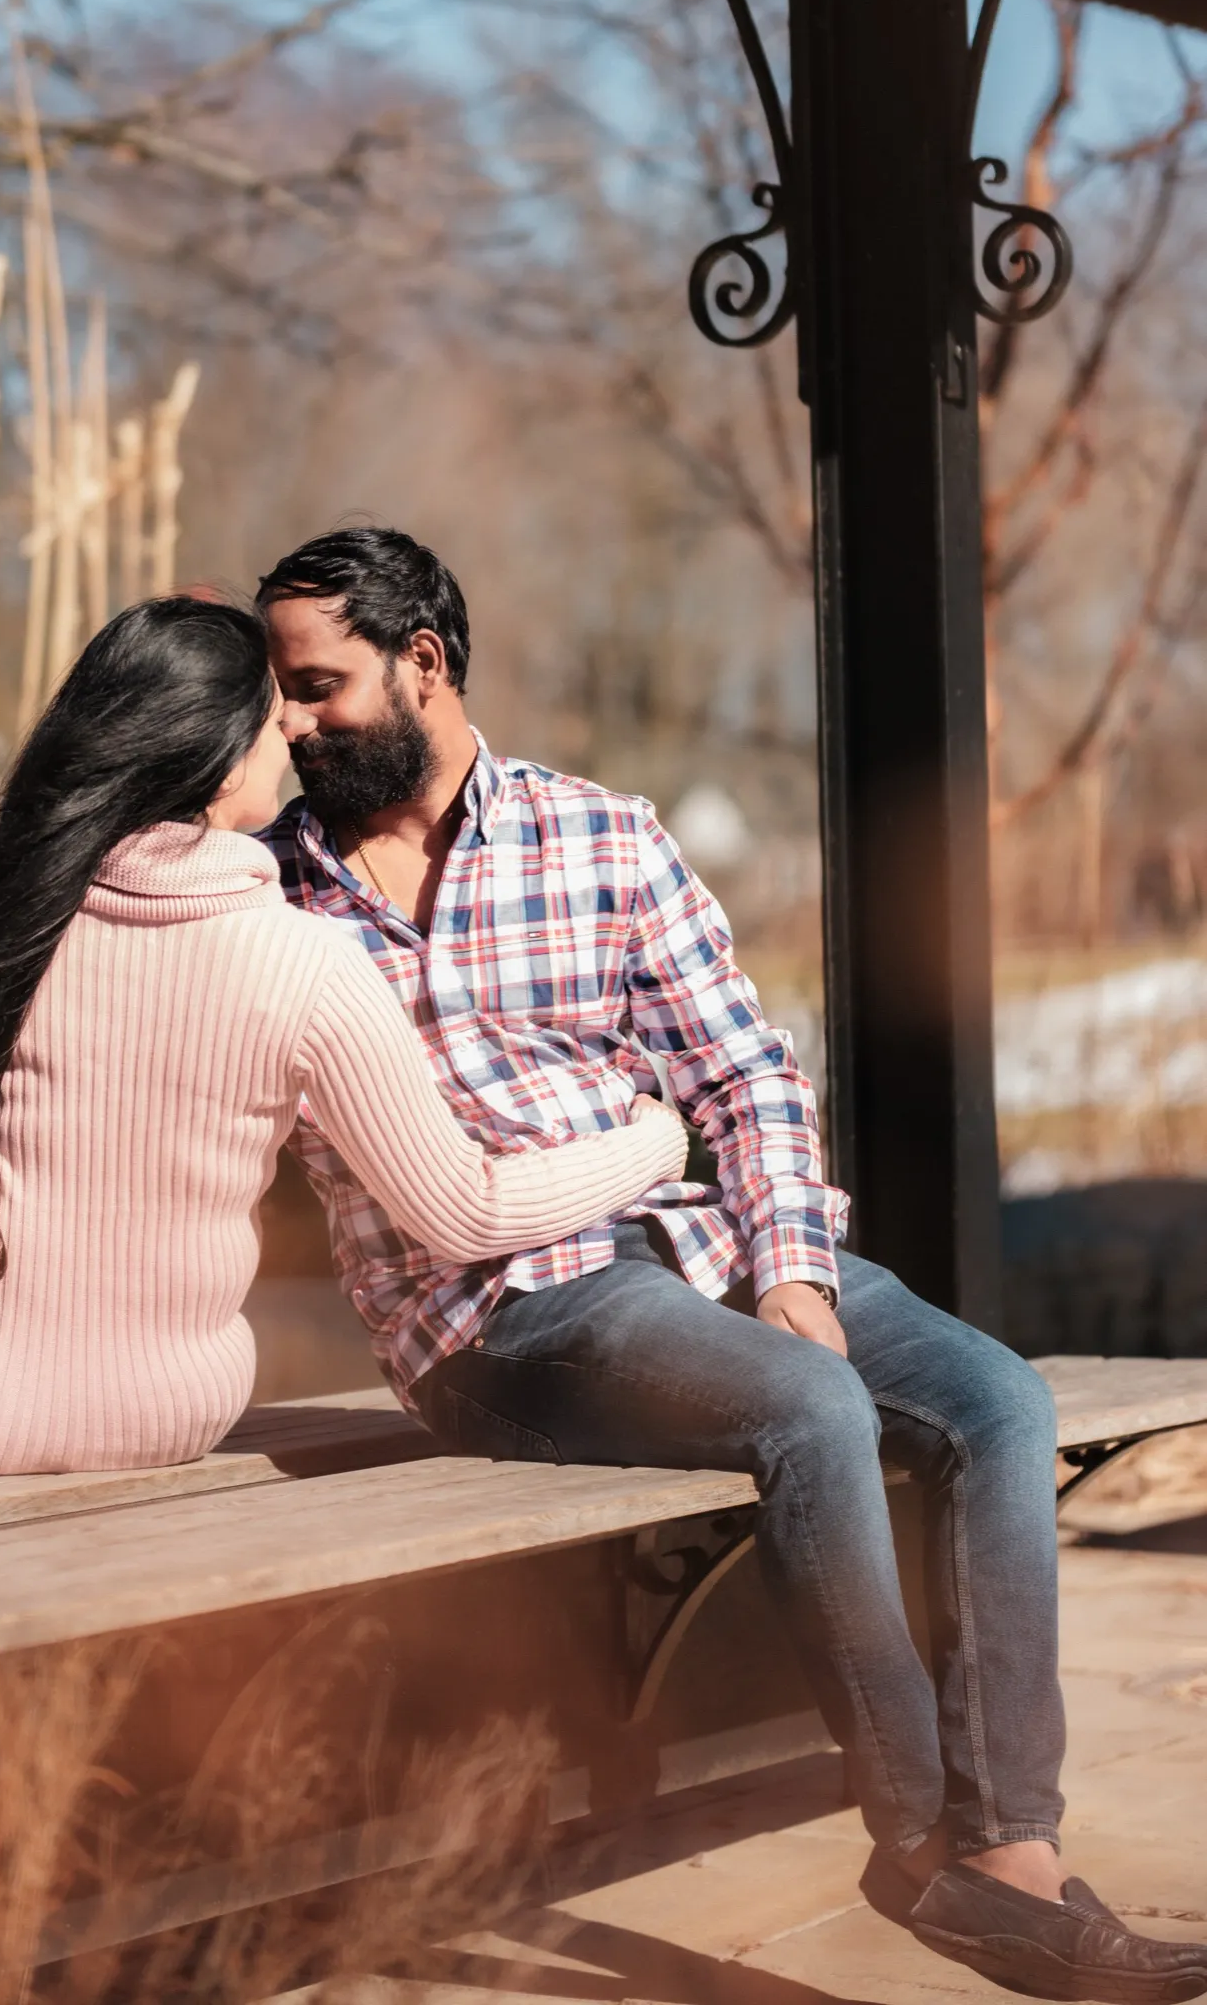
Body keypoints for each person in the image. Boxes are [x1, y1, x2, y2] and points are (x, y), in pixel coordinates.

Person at [253, 524, 1207, 2005]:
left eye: (315, 685)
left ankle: (1014, 1844)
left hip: (692, 1249)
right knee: (809, 1411)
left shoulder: (602, 838)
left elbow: (749, 1078)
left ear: (422, 663)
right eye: (278, 691)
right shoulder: (274, 893)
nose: (290, 720)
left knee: (999, 1404)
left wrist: (790, 1274)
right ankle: (918, 1853)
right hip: (499, 1311)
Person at [0, 595, 686, 1478]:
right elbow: (467, 1210)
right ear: (220, 767)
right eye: (269, 721)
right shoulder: (303, 960)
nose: (292, 735)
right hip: (139, 1415)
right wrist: (654, 1141)